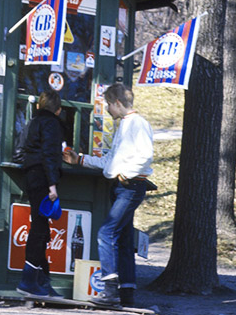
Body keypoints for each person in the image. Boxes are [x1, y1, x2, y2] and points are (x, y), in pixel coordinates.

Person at [63, 83, 153, 307]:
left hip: (130, 186)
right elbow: (110, 161)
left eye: (109, 105)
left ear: (118, 103)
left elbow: (146, 156)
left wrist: (124, 174)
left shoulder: (137, 124)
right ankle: (127, 293)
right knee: (123, 239)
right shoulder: (125, 125)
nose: (108, 110)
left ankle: (110, 292)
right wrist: (80, 159)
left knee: (106, 233)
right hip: (126, 186)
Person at [15, 90, 65, 298]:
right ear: (59, 109)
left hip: (31, 176)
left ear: (38, 106)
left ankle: (42, 281)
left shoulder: (32, 122)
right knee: (39, 228)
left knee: (41, 228)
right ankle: (28, 281)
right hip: (43, 178)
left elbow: (19, 152)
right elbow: (50, 155)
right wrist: (52, 185)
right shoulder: (53, 124)